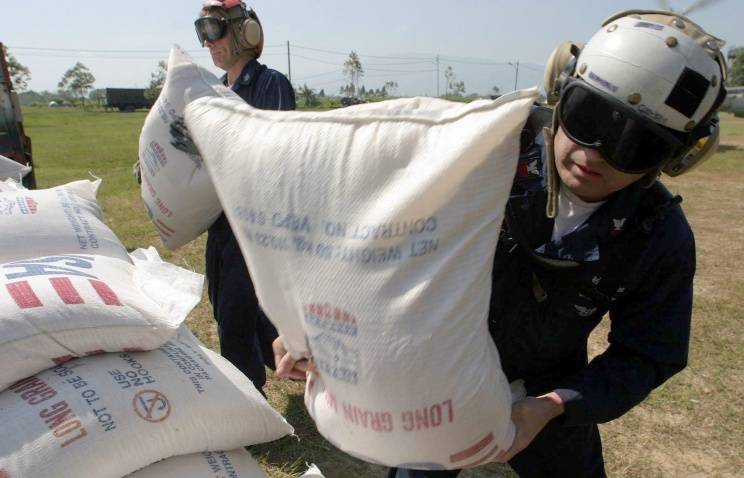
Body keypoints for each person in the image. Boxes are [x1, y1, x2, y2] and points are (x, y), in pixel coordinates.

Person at [273, 9, 727, 478]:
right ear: (560, 92)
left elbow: (649, 353)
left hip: (548, 386)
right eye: (588, 116)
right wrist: (314, 323)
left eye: (636, 145)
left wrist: (550, 406)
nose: (594, 154)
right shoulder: (480, 151)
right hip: (435, 372)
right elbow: (373, 241)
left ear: (676, 158)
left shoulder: (656, 235)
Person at [178, 0, 296, 394]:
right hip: (222, 224)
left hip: (256, 226)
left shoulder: (269, 85)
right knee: (233, 310)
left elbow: (274, 155)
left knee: (234, 316)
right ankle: (279, 359)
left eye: (215, 30)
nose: (207, 42)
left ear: (245, 33)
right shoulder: (213, 94)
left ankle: (249, 403)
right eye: (202, 31)